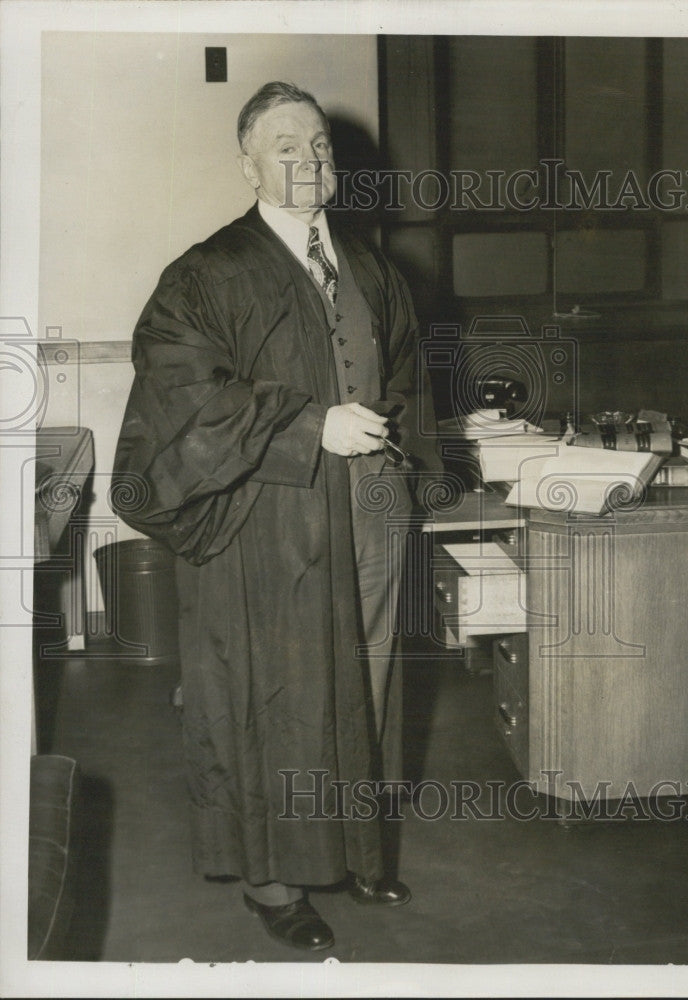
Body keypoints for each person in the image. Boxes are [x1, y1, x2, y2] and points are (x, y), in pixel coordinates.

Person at [112, 81, 441, 953]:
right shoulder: (205, 275)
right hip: (265, 519)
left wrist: (403, 464)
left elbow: (405, 375)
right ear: (248, 165)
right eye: (286, 147)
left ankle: (358, 847)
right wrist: (305, 425)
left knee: (364, 687)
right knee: (275, 699)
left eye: (321, 146)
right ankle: (274, 879)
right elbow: (180, 395)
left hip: (370, 513)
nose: (309, 160)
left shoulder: (372, 266)